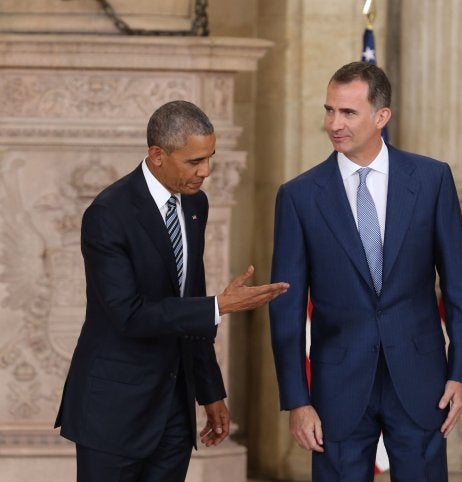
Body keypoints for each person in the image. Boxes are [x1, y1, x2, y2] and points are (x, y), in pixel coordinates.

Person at [55, 100, 289, 482]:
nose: (206, 171)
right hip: (114, 411)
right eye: (194, 161)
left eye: (210, 158)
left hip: (175, 412)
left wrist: (211, 393)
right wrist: (218, 306)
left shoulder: (196, 203)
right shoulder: (108, 213)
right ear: (157, 155)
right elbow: (128, 314)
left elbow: (189, 298)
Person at [269, 62, 462, 481]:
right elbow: (286, 311)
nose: (334, 124)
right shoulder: (298, 196)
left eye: (348, 112)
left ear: (382, 116)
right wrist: (297, 400)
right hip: (337, 388)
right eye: (329, 110)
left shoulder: (432, 179)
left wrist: (460, 373)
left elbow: (458, 287)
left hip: (421, 382)